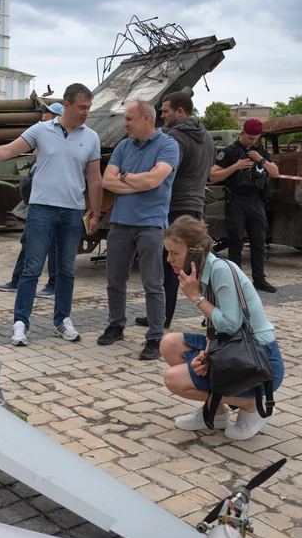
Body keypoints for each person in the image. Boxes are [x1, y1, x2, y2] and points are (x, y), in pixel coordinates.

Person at [0, 83, 103, 346]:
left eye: (89, 107)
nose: (86, 112)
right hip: (42, 208)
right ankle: (21, 323)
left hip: (73, 210)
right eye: (82, 107)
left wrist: (95, 213)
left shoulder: (91, 137)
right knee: (31, 268)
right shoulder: (40, 130)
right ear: (66, 105)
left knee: (66, 270)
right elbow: (7, 150)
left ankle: (62, 320)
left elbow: (95, 178)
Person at [160, 216, 284, 440]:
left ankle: (251, 405)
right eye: (168, 252)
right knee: (169, 344)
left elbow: (230, 323)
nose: (169, 259)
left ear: (196, 251)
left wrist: (196, 297)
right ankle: (215, 411)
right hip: (234, 346)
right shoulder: (203, 272)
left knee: (173, 379)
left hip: (261, 361)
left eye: (174, 253)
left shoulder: (220, 270)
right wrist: (206, 353)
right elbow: (216, 328)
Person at [97, 101, 179, 360]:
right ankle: (115, 325)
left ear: (146, 118)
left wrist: (124, 176)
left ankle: (155, 338)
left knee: (153, 283)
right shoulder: (123, 146)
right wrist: (139, 181)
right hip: (120, 222)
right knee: (114, 280)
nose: (125, 124)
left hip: (151, 224)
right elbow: (106, 181)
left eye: (129, 119)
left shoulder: (168, 145)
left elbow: (155, 180)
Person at [136, 91, 215, 330]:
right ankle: (213, 313)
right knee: (199, 265)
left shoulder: (175, 137)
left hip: (175, 207)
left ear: (180, 112)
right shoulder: (208, 136)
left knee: (169, 266)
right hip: (196, 206)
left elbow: (167, 171)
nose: (162, 116)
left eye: (165, 111)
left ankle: (161, 318)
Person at [0, 102, 63, 299]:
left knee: (52, 246)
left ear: (57, 117)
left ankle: (53, 284)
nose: (43, 115)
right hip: (36, 200)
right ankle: (17, 280)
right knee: (28, 241)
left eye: (47, 113)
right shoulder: (41, 137)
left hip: (52, 201)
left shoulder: (59, 141)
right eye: (43, 112)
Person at [208, 118, 279, 293]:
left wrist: (261, 160)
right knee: (236, 242)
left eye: (256, 138)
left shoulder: (260, 151)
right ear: (242, 133)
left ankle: (259, 279)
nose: (253, 141)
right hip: (236, 202)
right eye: (250, 138)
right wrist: (236, 166)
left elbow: (275, 173)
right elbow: (213, 176)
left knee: (258, 242)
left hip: (256, 202)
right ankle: (235, 279)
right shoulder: (229, 152)